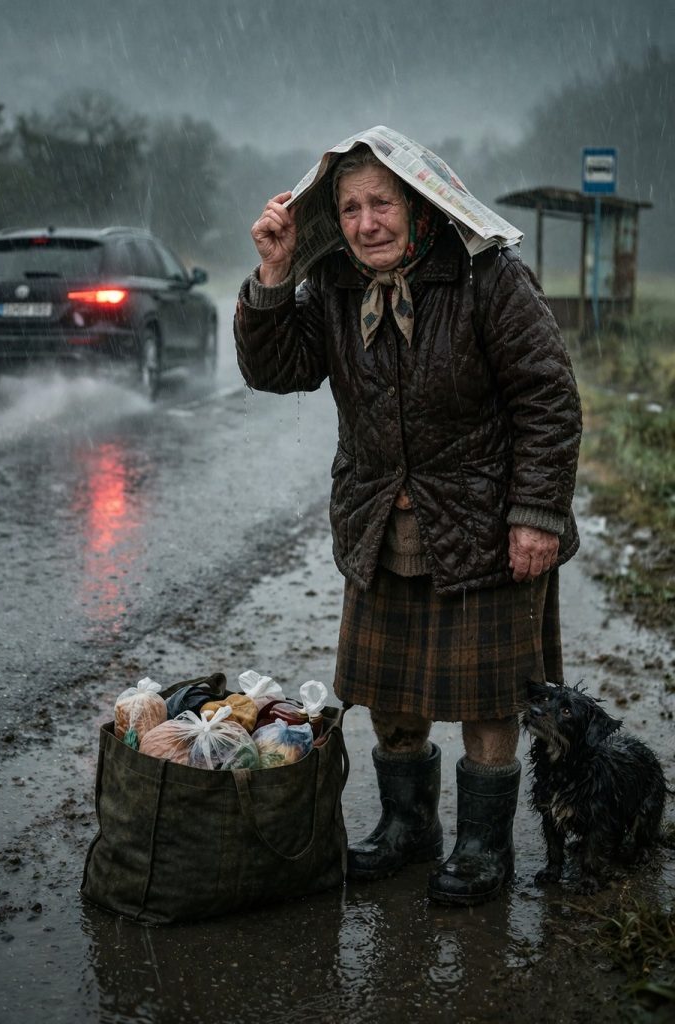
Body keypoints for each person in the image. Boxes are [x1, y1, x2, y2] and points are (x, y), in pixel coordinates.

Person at [233, 132, 582, 906]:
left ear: (419, 205)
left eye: (381, 203)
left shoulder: (484, 274)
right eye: (350, 207)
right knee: (394, 697)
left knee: (490, 701)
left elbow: (549, 399)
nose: (365, 223)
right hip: (380, 523)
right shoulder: (329, 284)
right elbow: (276, 370)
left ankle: (484, 848)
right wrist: (274, 275)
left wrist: (536, 515)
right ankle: (408, 829)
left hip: (485, 524)